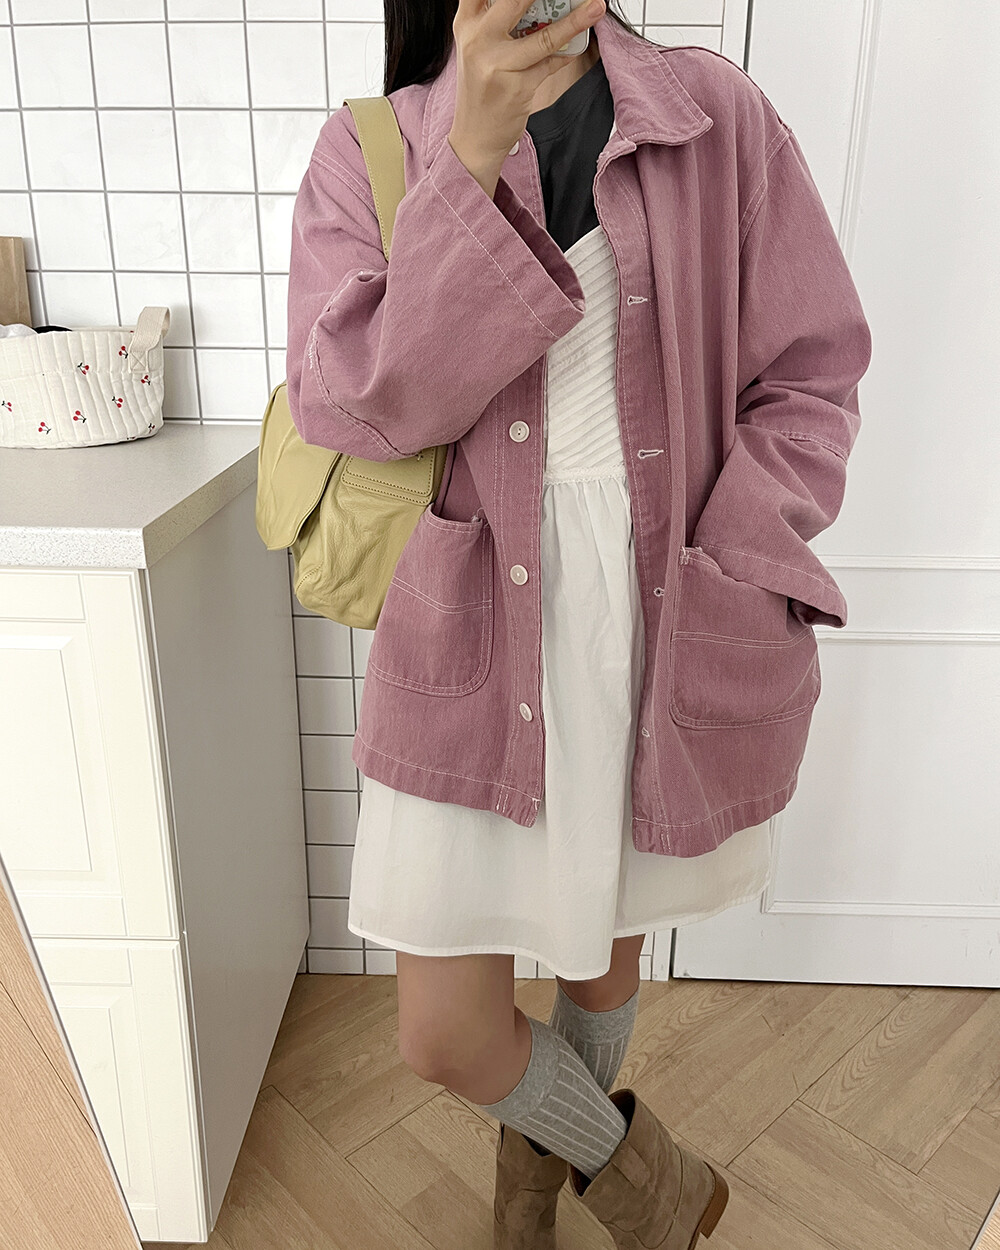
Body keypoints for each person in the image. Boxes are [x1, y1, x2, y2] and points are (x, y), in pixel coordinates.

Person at [284, 1, 872, 1245]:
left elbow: (810, 372)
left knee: (597, 951)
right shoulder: (373, 147)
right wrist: (468, 159)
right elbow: (361, 404)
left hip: (658, 609)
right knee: (446, 1030)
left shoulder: (714, 116)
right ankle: (651, 1180)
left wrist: (739, 550)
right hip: (469, 623)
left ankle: (526, 1204)